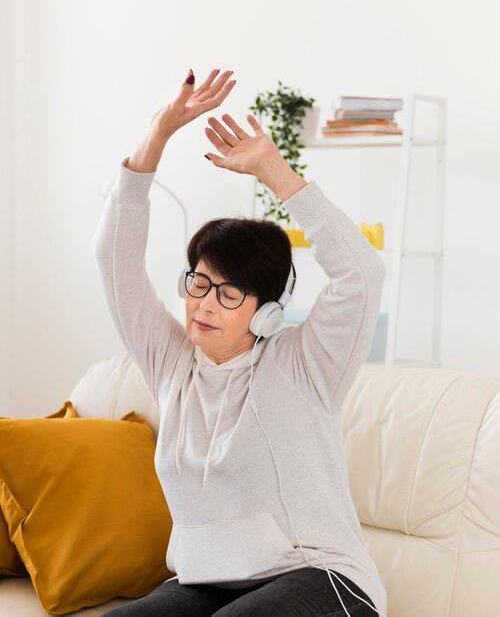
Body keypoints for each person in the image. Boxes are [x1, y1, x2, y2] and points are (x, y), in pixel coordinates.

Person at [94, 67, 388, 617]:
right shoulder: (172, 363)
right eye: (199, 283)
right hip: (205, 582)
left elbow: (362, 275)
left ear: (268, 313)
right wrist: (156, 135)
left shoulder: (306, 364)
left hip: (322, 578)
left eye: (229, 294)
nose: (204, 303)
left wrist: (277, 174)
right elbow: (113, 260)